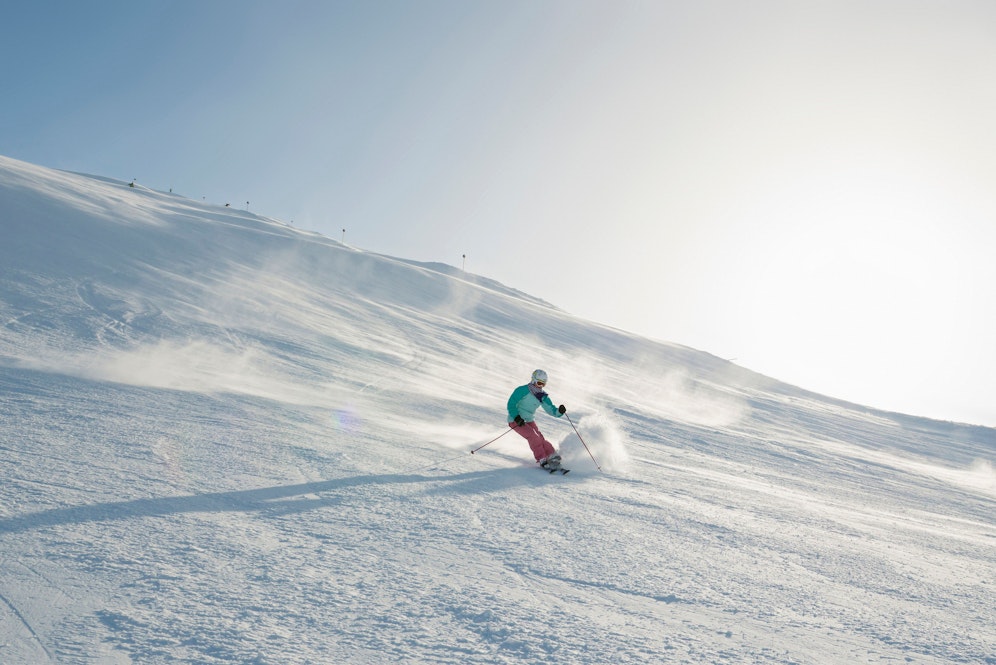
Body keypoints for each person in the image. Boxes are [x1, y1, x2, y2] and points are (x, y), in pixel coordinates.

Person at [507, 369, 567, 469]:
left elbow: (551, 409)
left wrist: (559, 411)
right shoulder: (522, 390)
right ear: (533, 380)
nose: (541, 386)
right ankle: (542, 458)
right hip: (515, 420)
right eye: (539, 383)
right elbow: (511, 404)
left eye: (543, 384)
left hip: (529, 420)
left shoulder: (542, 396)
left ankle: (551, 455)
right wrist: (516, 417)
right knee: (533, 436)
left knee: (539, 437)